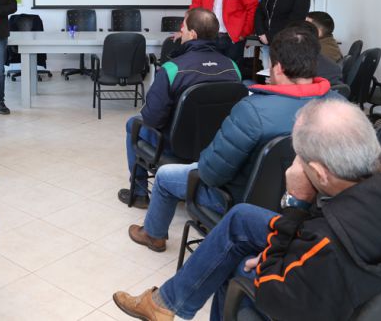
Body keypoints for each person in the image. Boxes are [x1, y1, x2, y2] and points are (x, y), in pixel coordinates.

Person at [112, 99, 381, 321]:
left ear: (322, 174)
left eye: (301, 161)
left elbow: (274, 289)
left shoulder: (325, 246)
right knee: (242, 218)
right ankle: (165, 303)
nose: (295, 166)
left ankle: (171, 304)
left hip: (342, 293)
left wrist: (295, 204)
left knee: (237, 268)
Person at [128, 24, 335, 253]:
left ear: (276, 68)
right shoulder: (341, 106)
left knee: (165, 176)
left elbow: (210, 173)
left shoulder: (253, 110)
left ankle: (153, 235)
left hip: (240, 199)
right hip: (306, 206)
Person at [118, 8, 242, 208]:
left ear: (192, 34)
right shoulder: (233, 67)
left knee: (133, 124)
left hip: (176, 146)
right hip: (217, 145)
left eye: (183, 27)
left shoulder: (172, 68)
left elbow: (152, 119)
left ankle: (140, 193)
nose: (180, 31)